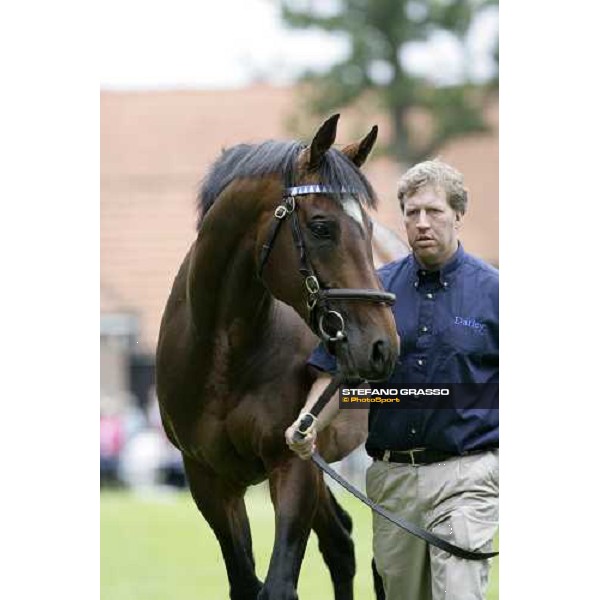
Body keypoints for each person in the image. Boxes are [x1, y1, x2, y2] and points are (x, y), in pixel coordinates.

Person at [285, 159, 499, 600]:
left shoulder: (496, 293)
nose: (422, 223)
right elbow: (336, 371)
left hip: (467, 477)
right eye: (412, 212)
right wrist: (307, 422)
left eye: (434, 211)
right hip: (392, 480)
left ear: (458, 215)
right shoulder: (374, 292)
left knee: (460, 592)